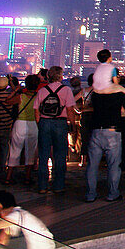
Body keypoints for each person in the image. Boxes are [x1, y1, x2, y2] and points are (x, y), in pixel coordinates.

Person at [85, 79, 125, 202]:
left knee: (92, 166)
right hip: (112, 131)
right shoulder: (120, 95)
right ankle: (112, 193)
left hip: (96, 131)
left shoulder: (96, 94)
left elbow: (88, 106)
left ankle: (90, 194)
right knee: (113, 165)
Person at [35, 66, 75, 194]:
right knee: (60, 154)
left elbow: (36, 109)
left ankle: (42, 186)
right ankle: (58, 185)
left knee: (43, 154)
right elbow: (70, 109)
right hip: (60, 123)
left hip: (44, 122)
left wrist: (39, 122)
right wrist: (72, 124)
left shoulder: (42, 90)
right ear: (60, 76)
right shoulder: (66, 90)